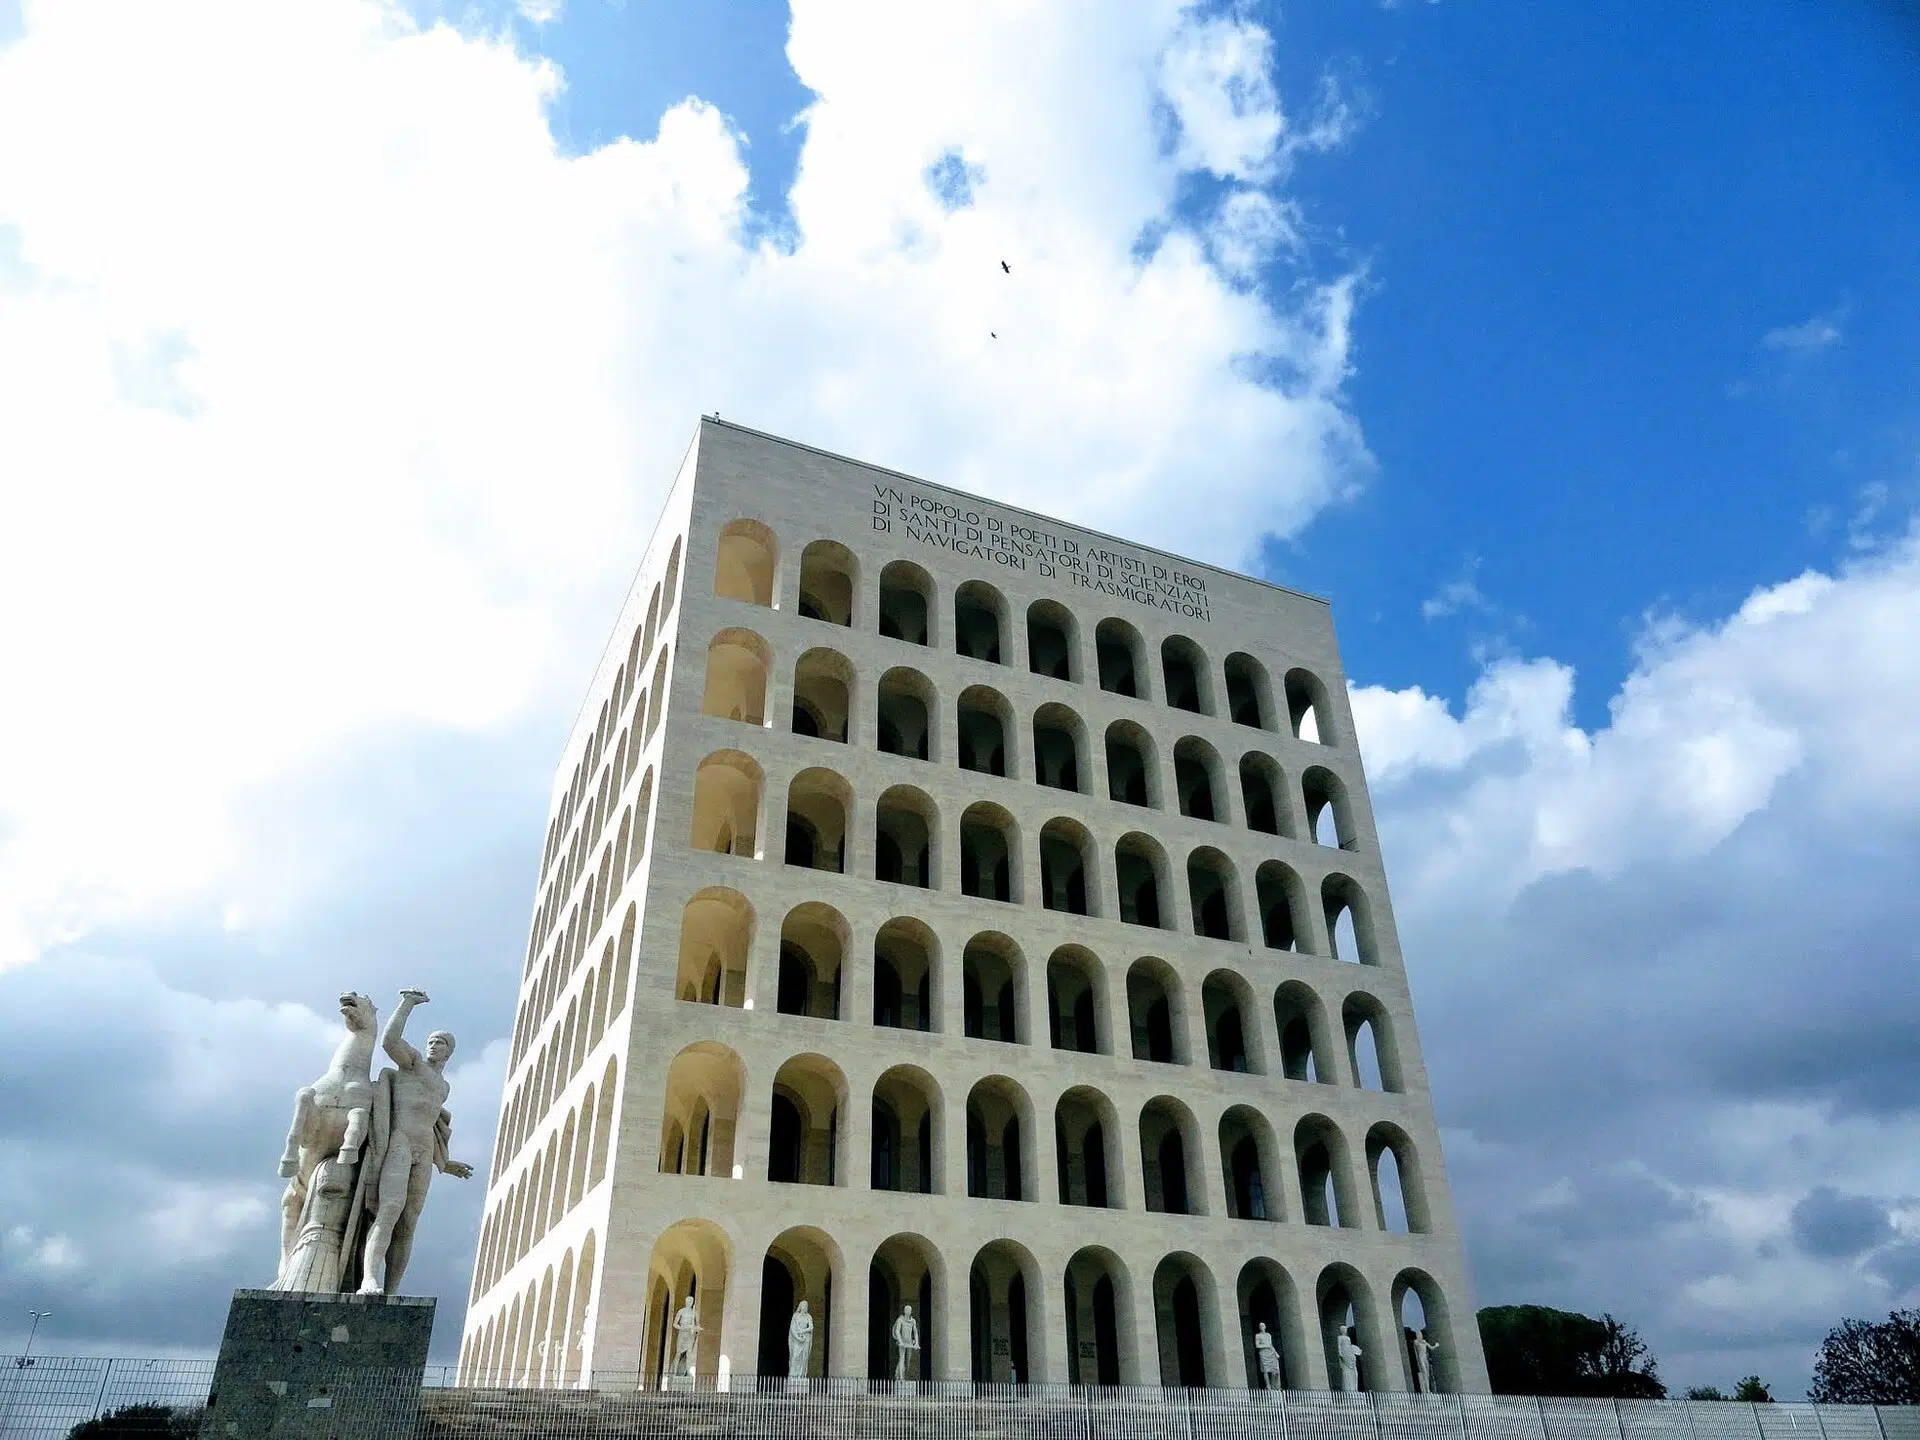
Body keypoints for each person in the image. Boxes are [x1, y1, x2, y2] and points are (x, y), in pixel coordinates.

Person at [355, 989, 473, 1295]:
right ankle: (369, 1279)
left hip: (423, 1150)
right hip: (400, 1143)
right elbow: (390, 1041)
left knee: (409, 1222)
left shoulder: (443, 1087)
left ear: (449, 1052)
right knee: (389, 1209)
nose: (433, 1045)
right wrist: (407, 1004)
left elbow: (433, 1127)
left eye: (440, 1042)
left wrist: (445, 1163)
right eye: (431, 1041)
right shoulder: (413, 1065)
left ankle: (392, 1290)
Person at [672, 1294, 702, 1378]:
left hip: (690, 1334)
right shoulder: (681, 1311)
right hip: (682, 1333)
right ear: (686, 1302)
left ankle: (688, 1371)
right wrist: (681, 1327)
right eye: (688, 1301)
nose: (689, 1303)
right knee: (678, 1352)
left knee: (689, 1353)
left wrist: (696, 1328)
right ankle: (674, 1371)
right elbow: (675, 1324)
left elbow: (697, 1325)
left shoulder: (694, 1313)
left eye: (691, 1301)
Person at [891, 1304, 921, 1381]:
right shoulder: (900, 1320)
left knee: (908, 1361)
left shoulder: (912, 1321)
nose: (908, 1312)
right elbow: (897, 1331)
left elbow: (915, 1332)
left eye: (909, 1310)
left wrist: (916, 1343)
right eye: (907, 1310)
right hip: (902, 1342)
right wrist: (900, 1341)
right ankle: (901, 1377)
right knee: (902, 1358)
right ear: (904, 1311)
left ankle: (906, 1375)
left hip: (909, 1342)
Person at [787, 1301, 814, 1382]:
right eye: (803, 1305)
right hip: (797, 1340)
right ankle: (793, 1375)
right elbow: (792, 1329)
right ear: (800, 1306)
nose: (805, 1307)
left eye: (806, 1306)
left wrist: (802, 1331)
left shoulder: (808, 1316)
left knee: (804, 1358)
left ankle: (801, 1375)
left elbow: (811, 1327)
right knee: (795, 1356)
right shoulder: (795, 1316)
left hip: (805, 1339)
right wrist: (798, 1338)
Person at [1253, 1321, 1282, 1389]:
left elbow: (1271, 1345)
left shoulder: (1268, 1335)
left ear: (1265, 1327)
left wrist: (1275, 1353)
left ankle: (1273, 1385)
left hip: (1270, 1352)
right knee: (1265, 1370)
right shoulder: (1258, 1335)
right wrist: (1266, 1345)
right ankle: (1268, 1385)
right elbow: (1257, 1345)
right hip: (1263, 1353)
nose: (1262, 1327)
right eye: (1260, 1326)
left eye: (1263, 1326)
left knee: (1274, 1370)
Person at [1413, 1329, 1442, 1393]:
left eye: (1421, 1335)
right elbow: (1416, 1344)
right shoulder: (1416, 1341)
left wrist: (1436, 1345)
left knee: (1427, 1374)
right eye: (1418, 1335)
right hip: (1421, 1358)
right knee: (1424, 1372)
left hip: (1425, 1358)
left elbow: (1431, 1348)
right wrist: (1421, 1342)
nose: (1420, 1336)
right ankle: (1426, 1389)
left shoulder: (1424, 1342)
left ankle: (1428, 1389)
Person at [1337, 1325, 1364, 1392]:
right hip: (1345, 1352)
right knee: (1346, 1371)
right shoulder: (1340, 1337)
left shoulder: (1348, 1338)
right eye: (1343, 1329)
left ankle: (1354, 1389)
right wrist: (1340, 1353)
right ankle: (1348, 1389)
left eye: (1345, 1329)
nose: (1345, 1330)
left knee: (1353, 1371)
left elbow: (1349, 1345)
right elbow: (1339, 1346)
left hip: (1349, 1353)